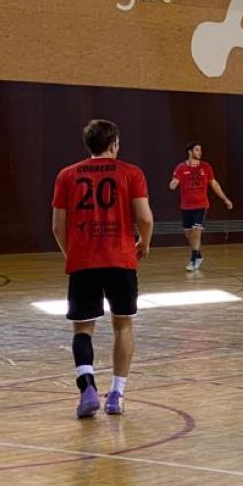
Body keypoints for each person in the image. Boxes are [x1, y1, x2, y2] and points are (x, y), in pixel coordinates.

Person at [51, 119, 153, 418]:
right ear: (114, 144)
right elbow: (144, 218)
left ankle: (87, 389)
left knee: (83, 329)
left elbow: (58, 226)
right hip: (120, 259)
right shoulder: (131, 173)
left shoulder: (67, 175)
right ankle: (117, 395)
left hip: (83, 261)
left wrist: (72, 253)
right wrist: (144, 243)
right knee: (123, 325)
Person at [168, 142, 233, 271]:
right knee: (188, 233)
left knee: (196, 231)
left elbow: (214, 184)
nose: (200, 152)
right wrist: (173, 183)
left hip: (201, 204)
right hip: (186, 206)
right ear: (190, 152)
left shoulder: (206, 167)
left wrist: (225, 199)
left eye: (200, 150)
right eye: (197, 150)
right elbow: (174, 181)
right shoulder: (181, 167)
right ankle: (198, 255)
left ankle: (193, 260)